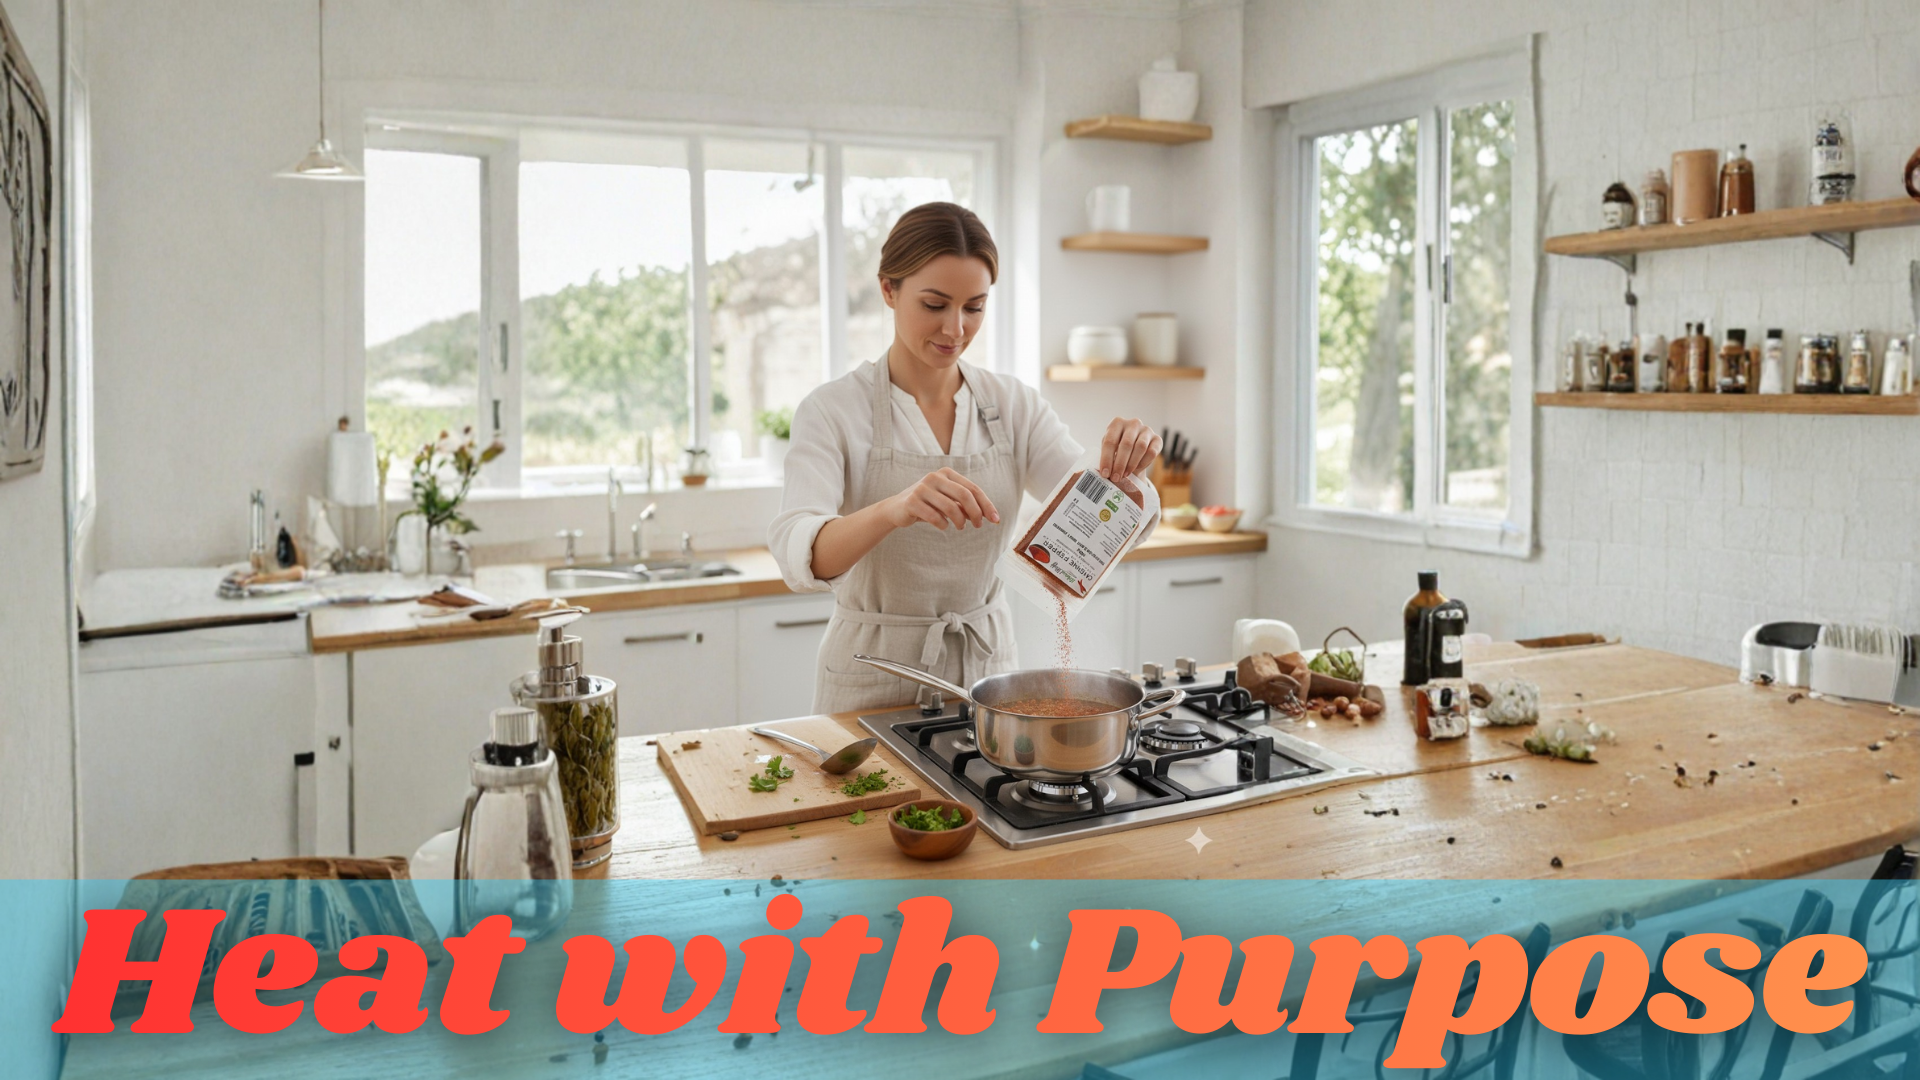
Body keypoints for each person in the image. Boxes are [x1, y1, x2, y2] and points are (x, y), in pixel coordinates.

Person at [769, 202, 1161, 713]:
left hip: (988, 676)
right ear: (889, 290)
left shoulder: (1014, 406)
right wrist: (895, 509)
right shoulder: (832, 410)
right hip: (871, 677)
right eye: (934, 305)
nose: (955, 329)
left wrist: (1126, 474)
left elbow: (1096, 513)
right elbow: (801, 555)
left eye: (974, 307)